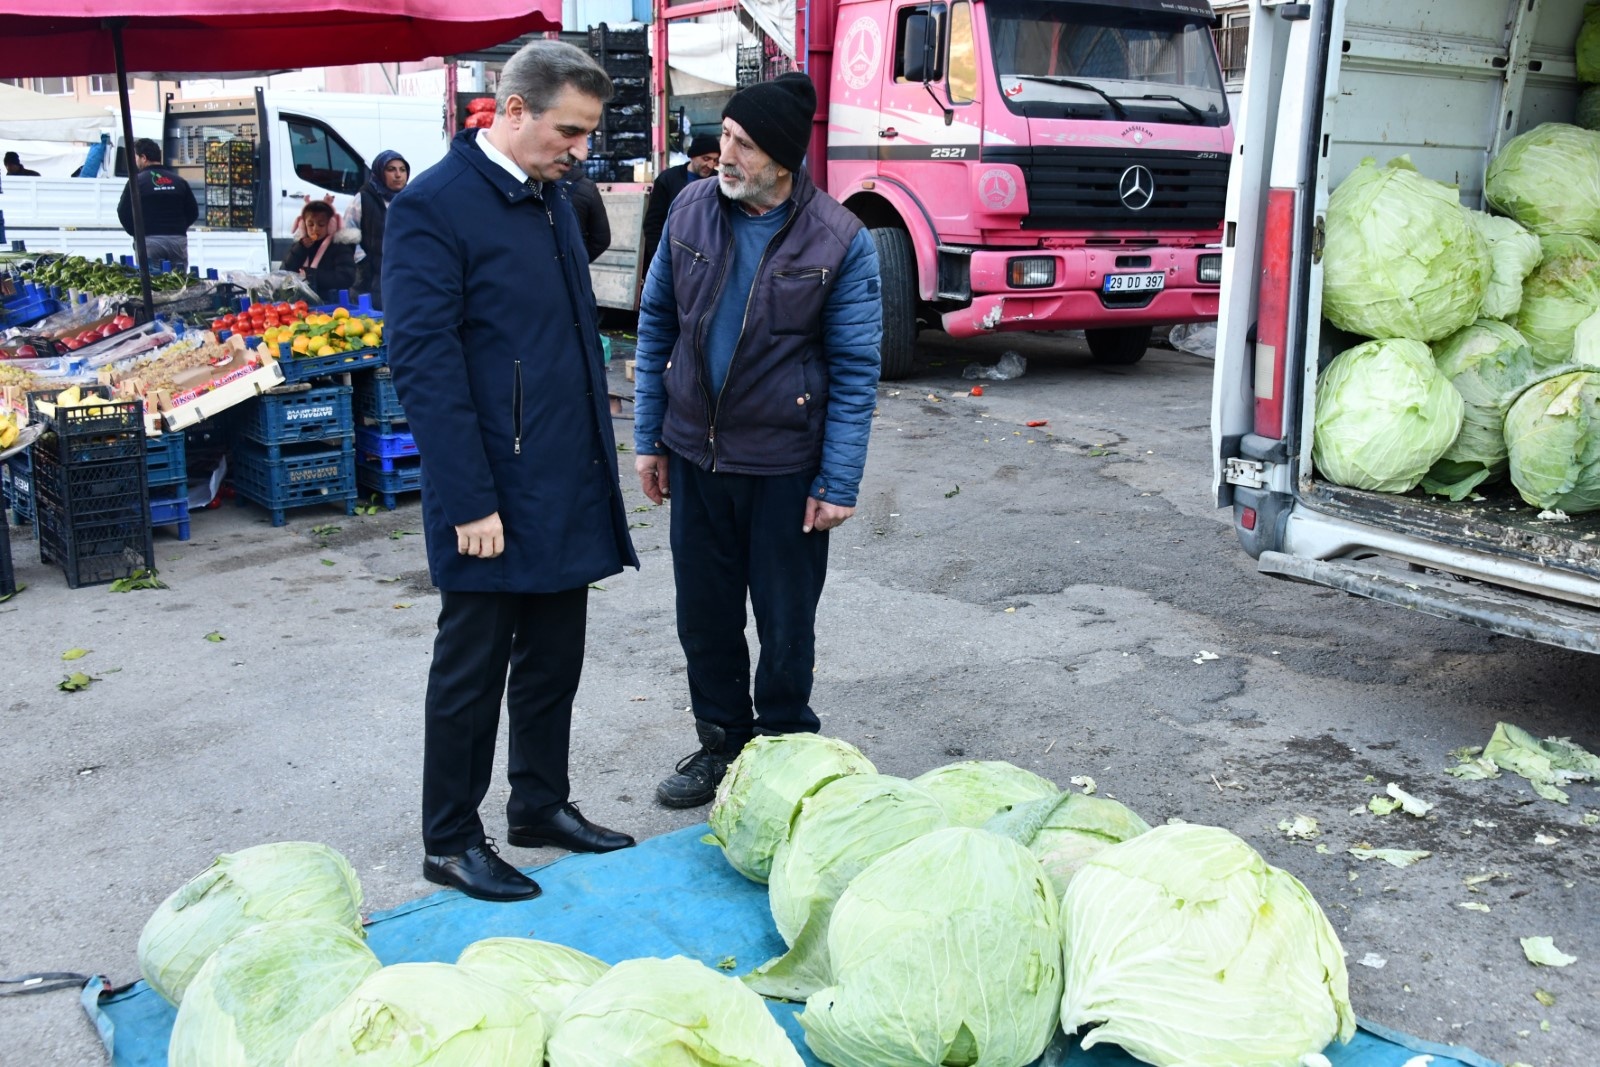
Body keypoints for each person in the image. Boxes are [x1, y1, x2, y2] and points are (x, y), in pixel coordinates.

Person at [384, 39, 640, 903]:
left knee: (553, 656)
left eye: (588, 133)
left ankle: (540, 803)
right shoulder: (435, 206)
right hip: (490, 485)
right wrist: (466, 497)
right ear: (512, 110)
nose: (580, 148)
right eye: (568, 130)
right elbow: (422, 362)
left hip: (564, 468)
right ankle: (450, 838)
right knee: (473, 666)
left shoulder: (553, 192)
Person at [631, 72, 882, 809]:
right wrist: (649, 438)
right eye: (726, 137)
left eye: (741, 142)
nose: (724, 153)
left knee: (784, 619)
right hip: (696, 454)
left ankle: (783, 747)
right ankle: (721, 744)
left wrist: (838, 481)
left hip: (784, 464)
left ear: (781, 156)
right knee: (704, 616)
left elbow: (856, 366)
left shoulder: (841, 239)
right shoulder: (690, 208)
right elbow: (656, 327)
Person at [638, 133, 719, 277]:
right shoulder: (668, 179)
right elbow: (653, 224)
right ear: (693, 156)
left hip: (706, 262)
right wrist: (661, 258)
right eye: (706, 159)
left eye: (715, 160)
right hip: (672, 256)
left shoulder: (718, 182)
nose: (710, 165)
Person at [116, 139, 198, 275]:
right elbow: (193, 211)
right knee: (179, 284)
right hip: (177, 241)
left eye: (136, 157)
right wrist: (177, 228)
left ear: (143, 158)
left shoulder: (136, 182)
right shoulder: (179, 181)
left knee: (154, 285)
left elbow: (123, 212)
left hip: (149, 241)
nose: (135, 162)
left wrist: (137, 233)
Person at [345, 149, 409, 310]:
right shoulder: (364, 198)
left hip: (403, 277)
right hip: (371, 279)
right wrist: (362, 261)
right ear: (380, 172)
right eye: (391, 169)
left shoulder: (411, 198)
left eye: (402, 170)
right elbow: (347, 233)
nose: (398, 175)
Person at [280, 200, 357, 303]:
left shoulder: (340, 246)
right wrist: (300, 249)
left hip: (331, 303)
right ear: (303, 225)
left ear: (331, 225)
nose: (315, 229)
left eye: (321, 225)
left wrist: (311, 275)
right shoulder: (299, 245)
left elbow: (346, 278)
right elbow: (284, 271)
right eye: (310, 225)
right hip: (301, 303)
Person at [565, 170, 611, 263]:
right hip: (575, 266)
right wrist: (579, 261)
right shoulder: (588, 188)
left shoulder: (538, 186)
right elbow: (602, 239)